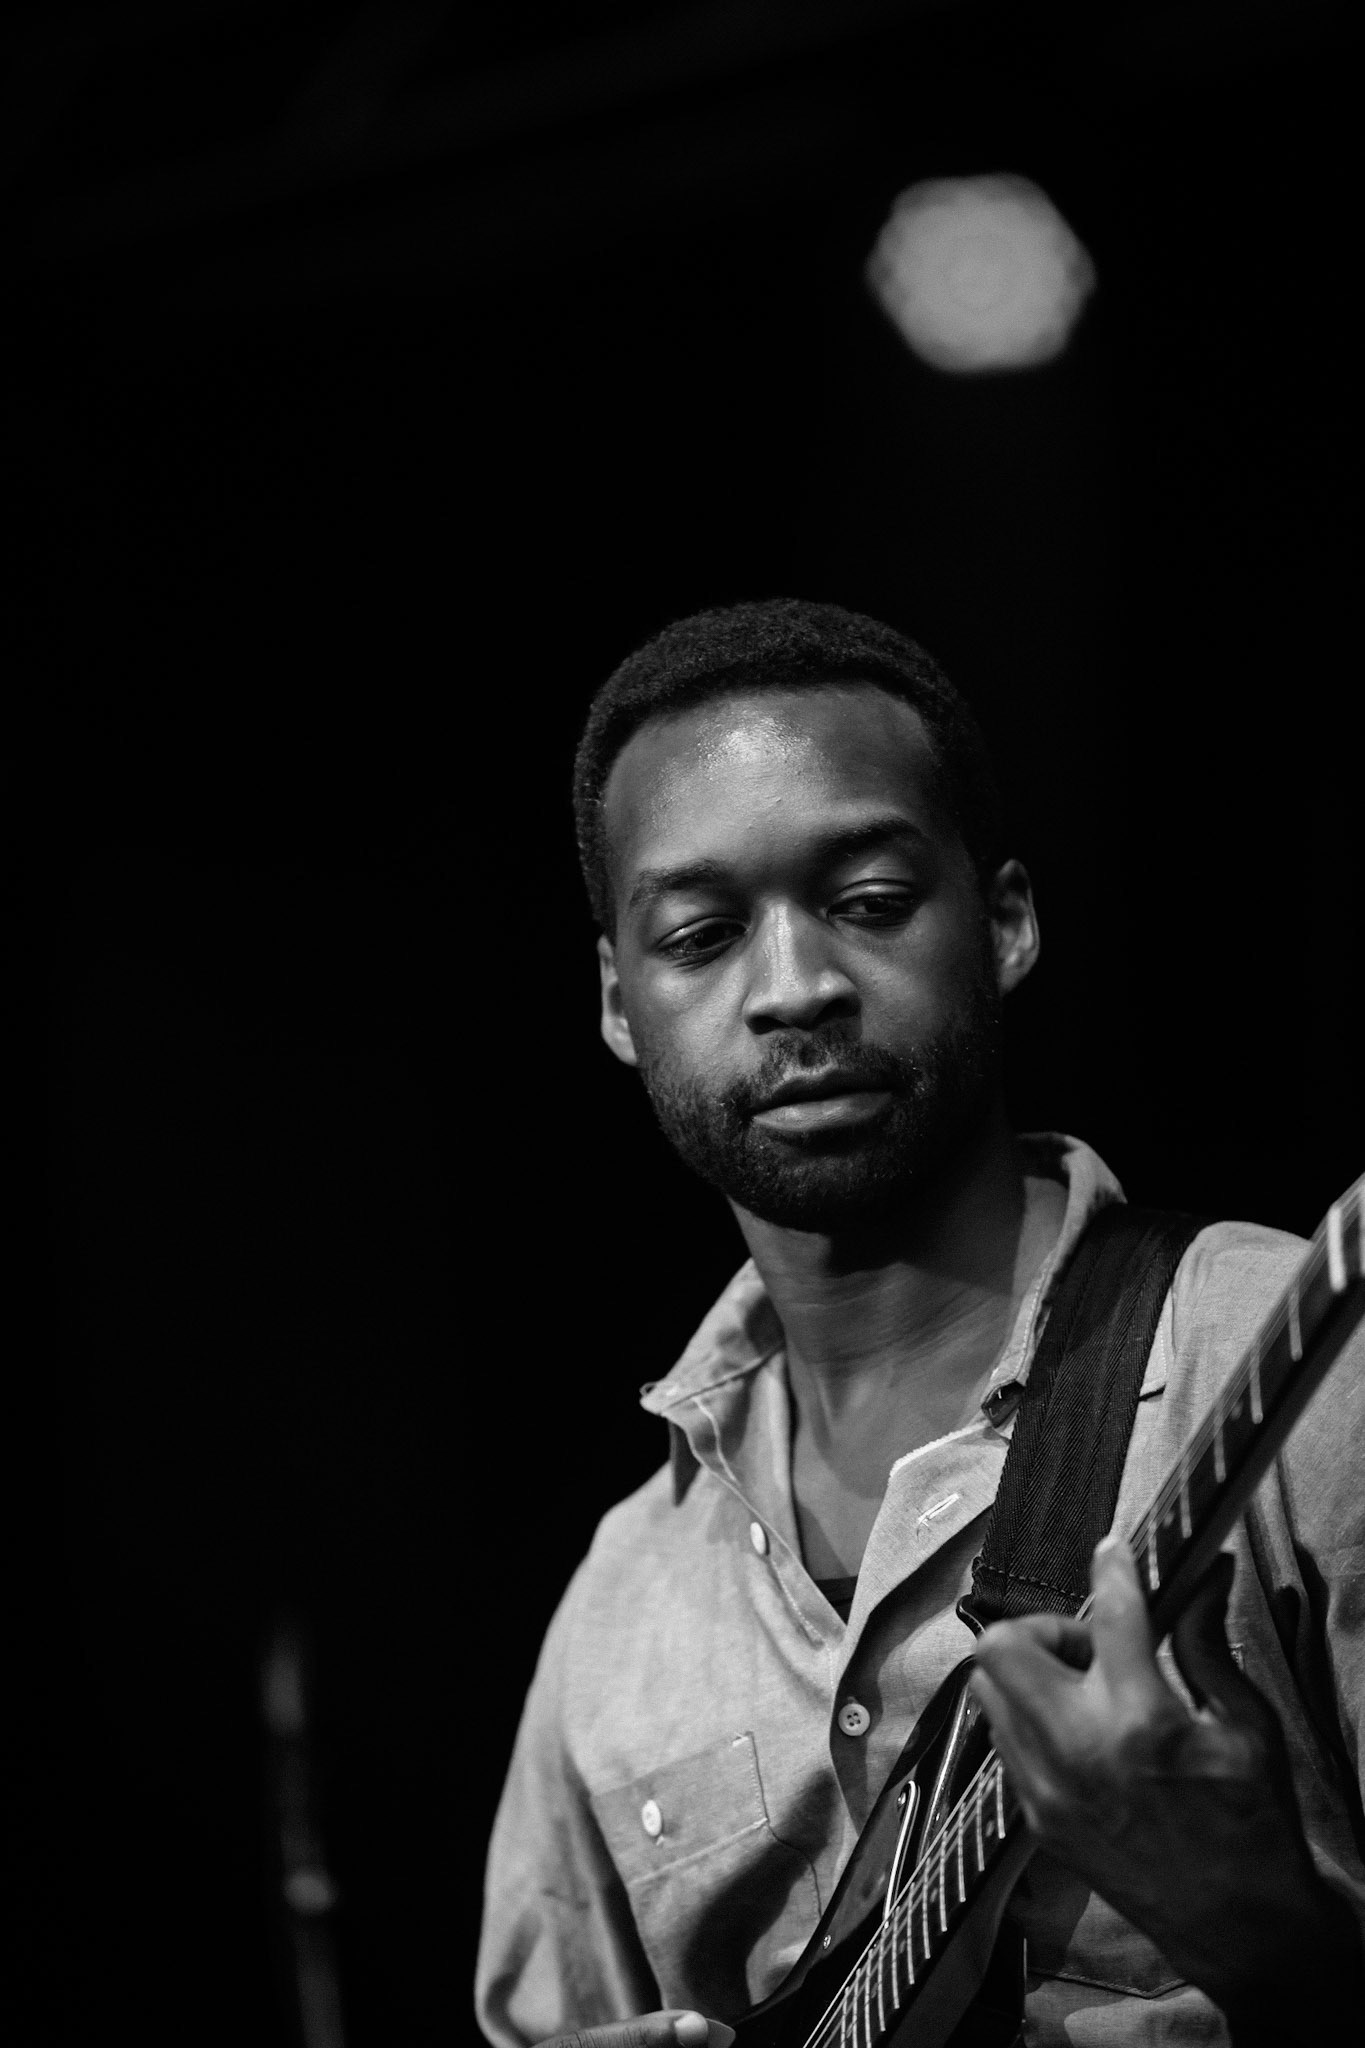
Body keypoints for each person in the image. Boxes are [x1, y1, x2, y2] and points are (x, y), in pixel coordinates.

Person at [476, 599, 1365, 2048]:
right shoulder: (618, 1612)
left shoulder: (1299, 1363)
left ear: (1004, 920)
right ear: (619, 1004)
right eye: (699, 937)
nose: (793, 988)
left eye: (870, 902)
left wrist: (1267, 1935)